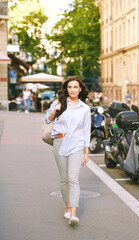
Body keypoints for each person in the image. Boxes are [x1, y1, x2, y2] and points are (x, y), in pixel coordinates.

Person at [44, 76, 91, 226]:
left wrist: (86, 153)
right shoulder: (58, 103)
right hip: (59, 142)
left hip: (76, 144)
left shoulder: (85, 108)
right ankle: (67, 208)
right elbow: (47, 119)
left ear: (80, 89)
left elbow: (86, 131)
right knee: (64, 179)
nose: (72, 90)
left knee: (73, 178)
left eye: (75, 87)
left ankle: (73, 214)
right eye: (70, 87)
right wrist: (55, 111)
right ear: (66, 89)